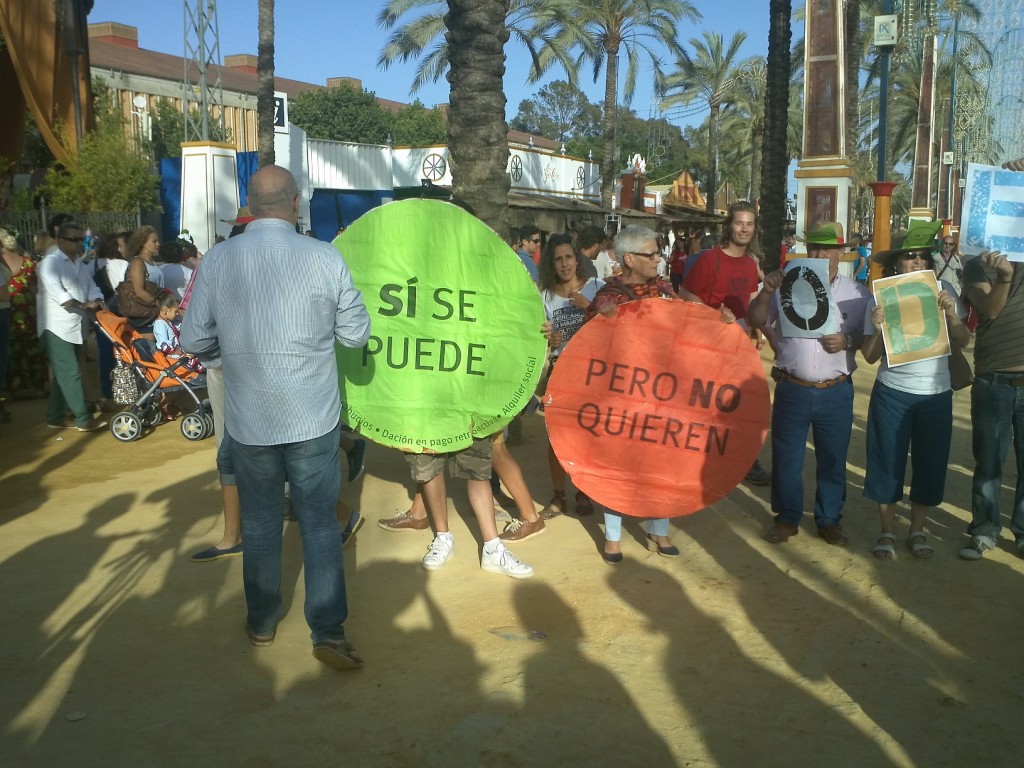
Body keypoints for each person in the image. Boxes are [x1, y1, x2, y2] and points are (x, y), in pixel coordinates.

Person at [181, 165, 371, 669]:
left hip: (250, 420)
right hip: (312, 417)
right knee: (319, 524)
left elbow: (193, 339)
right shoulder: (324, 257)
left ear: (249, 205)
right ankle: (327, 631)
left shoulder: (218, 260)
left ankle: (262, 622)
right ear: (295, 203)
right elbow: (356, 334)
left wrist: (231, 356)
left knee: (262, 522)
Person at [748, 221, 869, 547]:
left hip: (836, 390)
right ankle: (786, 518)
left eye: (828, 249)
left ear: (841, 252)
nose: (820, 255)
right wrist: (766, 292)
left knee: (833, 459)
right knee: (786, 457)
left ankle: (829, 519)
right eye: (815, 248)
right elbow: (756, 319)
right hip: (793, 387)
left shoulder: (858, 294)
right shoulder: (786, 284)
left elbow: (868, 338)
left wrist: (847, 341)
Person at [860, 221, 971, 560]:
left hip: (936, 393)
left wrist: (952, 317)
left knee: (930, 462)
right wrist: (877, 327)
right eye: (909, 257)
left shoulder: (944, 291)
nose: (917, 262)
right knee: (886, 461)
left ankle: (918, 530)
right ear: (896, 264)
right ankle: (887, 531)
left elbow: (964, 341)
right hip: (892, 392)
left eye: (922, 256)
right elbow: (869, 356)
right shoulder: (880, 297)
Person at [583, 225, 685, 564]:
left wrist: (720, 322)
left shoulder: (665, 290)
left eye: (658, 253)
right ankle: (613, 536)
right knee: (617, 465)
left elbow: (689, 327)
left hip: (662, 394)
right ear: (629, 259)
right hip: (622, 396)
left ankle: (659, 529)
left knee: (660, 463)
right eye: (651, 254)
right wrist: (604, 321)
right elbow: (590, 345)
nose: (658, 259)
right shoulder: (609, 297)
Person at [958, 155, 1024, 560]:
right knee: (988, 464)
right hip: (993, 379)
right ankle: (984, 530)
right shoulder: (975, 262)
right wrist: (1004, 277)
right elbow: (990, 310)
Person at [682, 201, 771, 486]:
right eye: (739, 223)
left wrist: (758, 334)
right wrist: (713, 316)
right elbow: (684, 294)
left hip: (738, 345)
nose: (744, 229)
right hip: (707, 345)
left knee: (742, 405)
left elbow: (749, 305)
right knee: (705, 404)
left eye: (749, 224)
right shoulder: (709, 260)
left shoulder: (750, 265)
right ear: (729, 225)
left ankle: (745, 462)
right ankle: (697, 463)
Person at [535, 233, 605, 519]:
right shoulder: (545, 297)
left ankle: (583, 491)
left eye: (568, 257)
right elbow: (539, 336)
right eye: (558, 259)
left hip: (592, 375)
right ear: (551, 264)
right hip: (561, 373)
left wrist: (589, 308)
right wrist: (549, 340)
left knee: (587, 437)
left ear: (577, 259)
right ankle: (558, 496)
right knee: (557, 438)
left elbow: (616, 325)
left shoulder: (597, 287)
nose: (564, 264)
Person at [36, 221, 108, 432]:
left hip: (76, 327)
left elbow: (92, 287)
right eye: (74, 239)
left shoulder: (79, 264)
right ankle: (83, 419)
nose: (79, 244)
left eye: (81, 239)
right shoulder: (50, 264)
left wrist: (98, 299)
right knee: (70, 372)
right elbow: (58, 294)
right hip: (55, 328)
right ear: (60, 241)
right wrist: (83, 305)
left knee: (64, 375)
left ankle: (55, 416)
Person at [934, 233, 963, 298]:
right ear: (942, 244)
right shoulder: (935, 258)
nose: (948, 245)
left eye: (950, 244)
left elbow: (961, 274)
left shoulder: (956, 258)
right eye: (945, 243)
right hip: (943, 291)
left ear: (953, 246)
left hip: (956, 291)